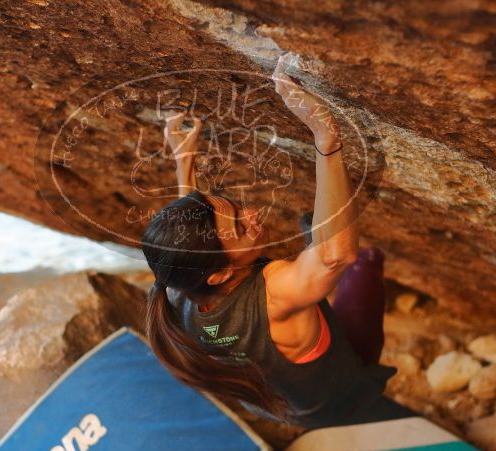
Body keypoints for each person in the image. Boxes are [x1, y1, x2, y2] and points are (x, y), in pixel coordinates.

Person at [140, 53, 398, 429]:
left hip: (286, 406)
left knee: (317, 237)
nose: (253, 214)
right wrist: (326, 137)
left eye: (235, 206)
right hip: (341, 400)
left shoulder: (178, 297)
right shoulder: (272, 293)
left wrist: (185, 162)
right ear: (220, 274)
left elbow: (193, 249)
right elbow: (334, 257)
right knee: (362, 261)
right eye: (240, 227)